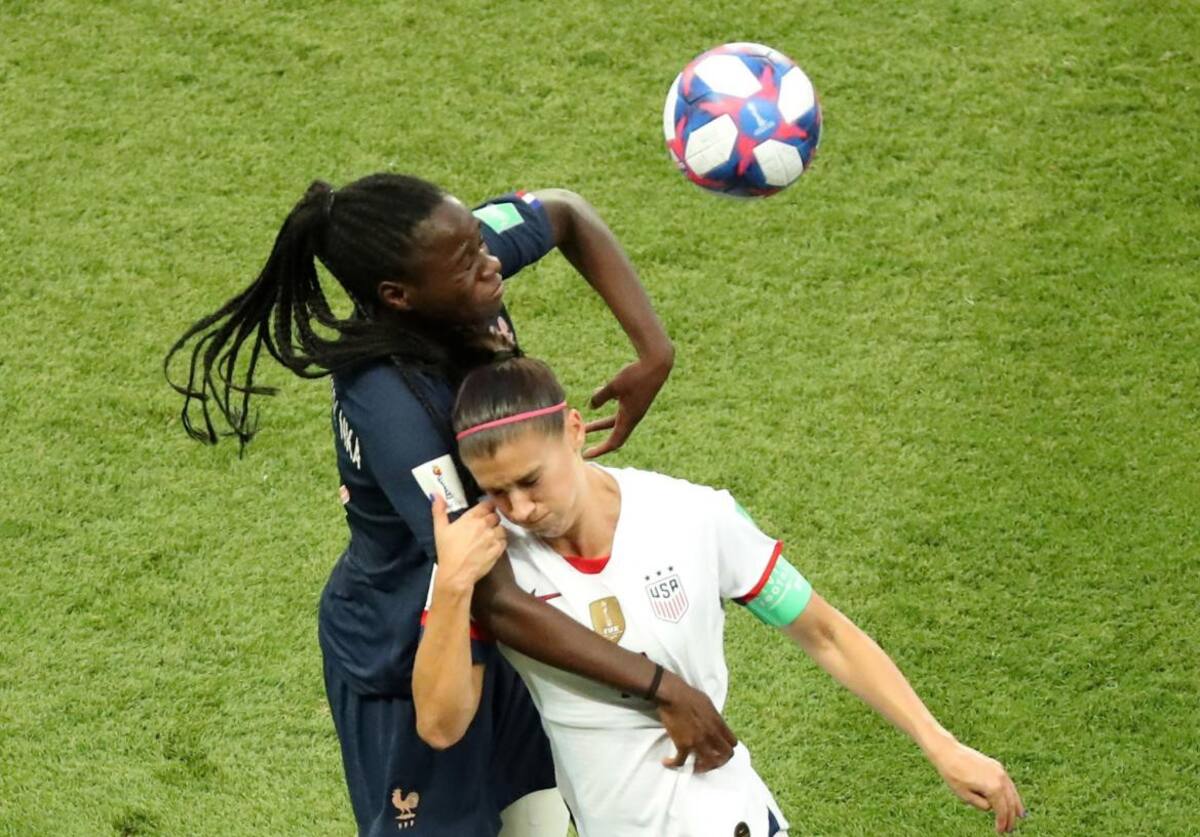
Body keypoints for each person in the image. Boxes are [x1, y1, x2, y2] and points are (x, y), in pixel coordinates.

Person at [163, 174, 737, 836]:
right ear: (398, 297)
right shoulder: (388, 401)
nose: (490, 261)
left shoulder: (456, 255)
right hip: (413, 655)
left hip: (522, 636)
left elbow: (567, 213)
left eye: (479, 241)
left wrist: (654, 348)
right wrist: (662, 687)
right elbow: (482, 588)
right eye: (467, 261)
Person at [414, 356, 1028, 837]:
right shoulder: (488, 563)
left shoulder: (693, 516)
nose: (522, 509)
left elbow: (826, 633)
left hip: (725, 820)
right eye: (499, 492)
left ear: (573, 430)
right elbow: (441, 725)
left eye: (530, 480)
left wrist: (939, 743)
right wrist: (453, 586)